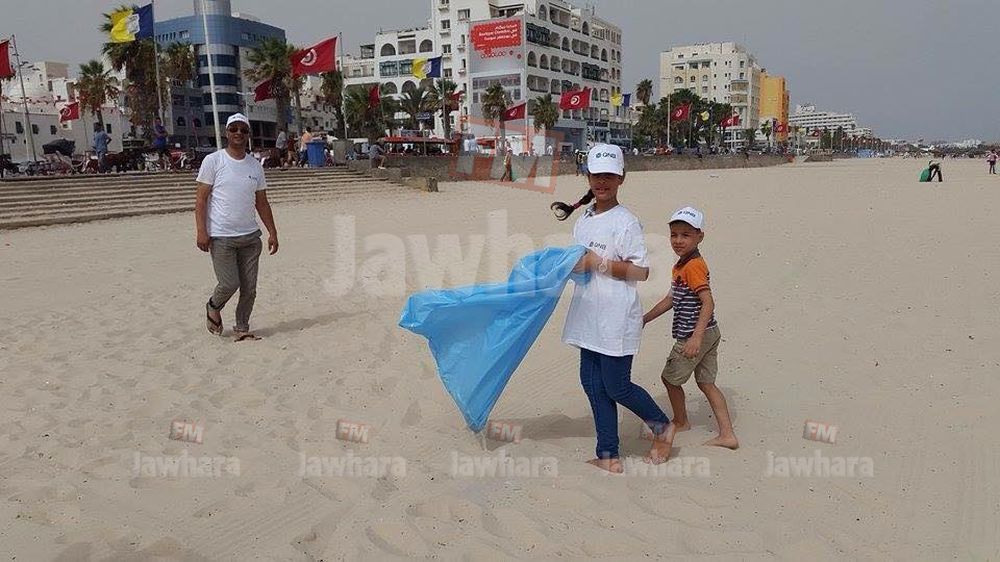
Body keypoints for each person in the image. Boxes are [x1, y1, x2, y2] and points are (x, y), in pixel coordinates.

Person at [562, 144, 676, 473]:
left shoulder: (626, 222)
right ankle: (608, 454)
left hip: (615, 316)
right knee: (591, 383)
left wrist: (597, 263)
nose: (602, 181)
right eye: (597, 175)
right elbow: (578, 261)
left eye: (609, 176)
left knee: (617, 385)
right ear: (587, 176)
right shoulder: (584, 220)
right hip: (588, 313)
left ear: (621, 178)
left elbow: (641, 272)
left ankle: (662, 427)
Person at [644, 207, 739, 450]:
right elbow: (671, 299)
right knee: (707, 383)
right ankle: (727, 434)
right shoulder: (682, 265)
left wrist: (695, 338)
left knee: (669, 379)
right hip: (711, 331)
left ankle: (681, 421)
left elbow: (708, 302)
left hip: (695, 335)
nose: (678, 240)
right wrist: (645, 318)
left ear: (700, 236)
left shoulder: (693, 266)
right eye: (674, 234)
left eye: (686, 235)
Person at [195, 113, 279, 342]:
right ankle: (213, 306)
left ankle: (242, 327)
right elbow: (201, 199)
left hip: (250, 237)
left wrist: (272, 232)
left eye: (243, 130)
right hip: (221, 236)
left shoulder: (255, 166)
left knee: (249, 288)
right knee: (229, 283)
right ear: (227, 132)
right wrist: (202, 231)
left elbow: (262, 202)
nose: (238, 133)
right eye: (234, 129)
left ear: (248, 134)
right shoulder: (213, 161)